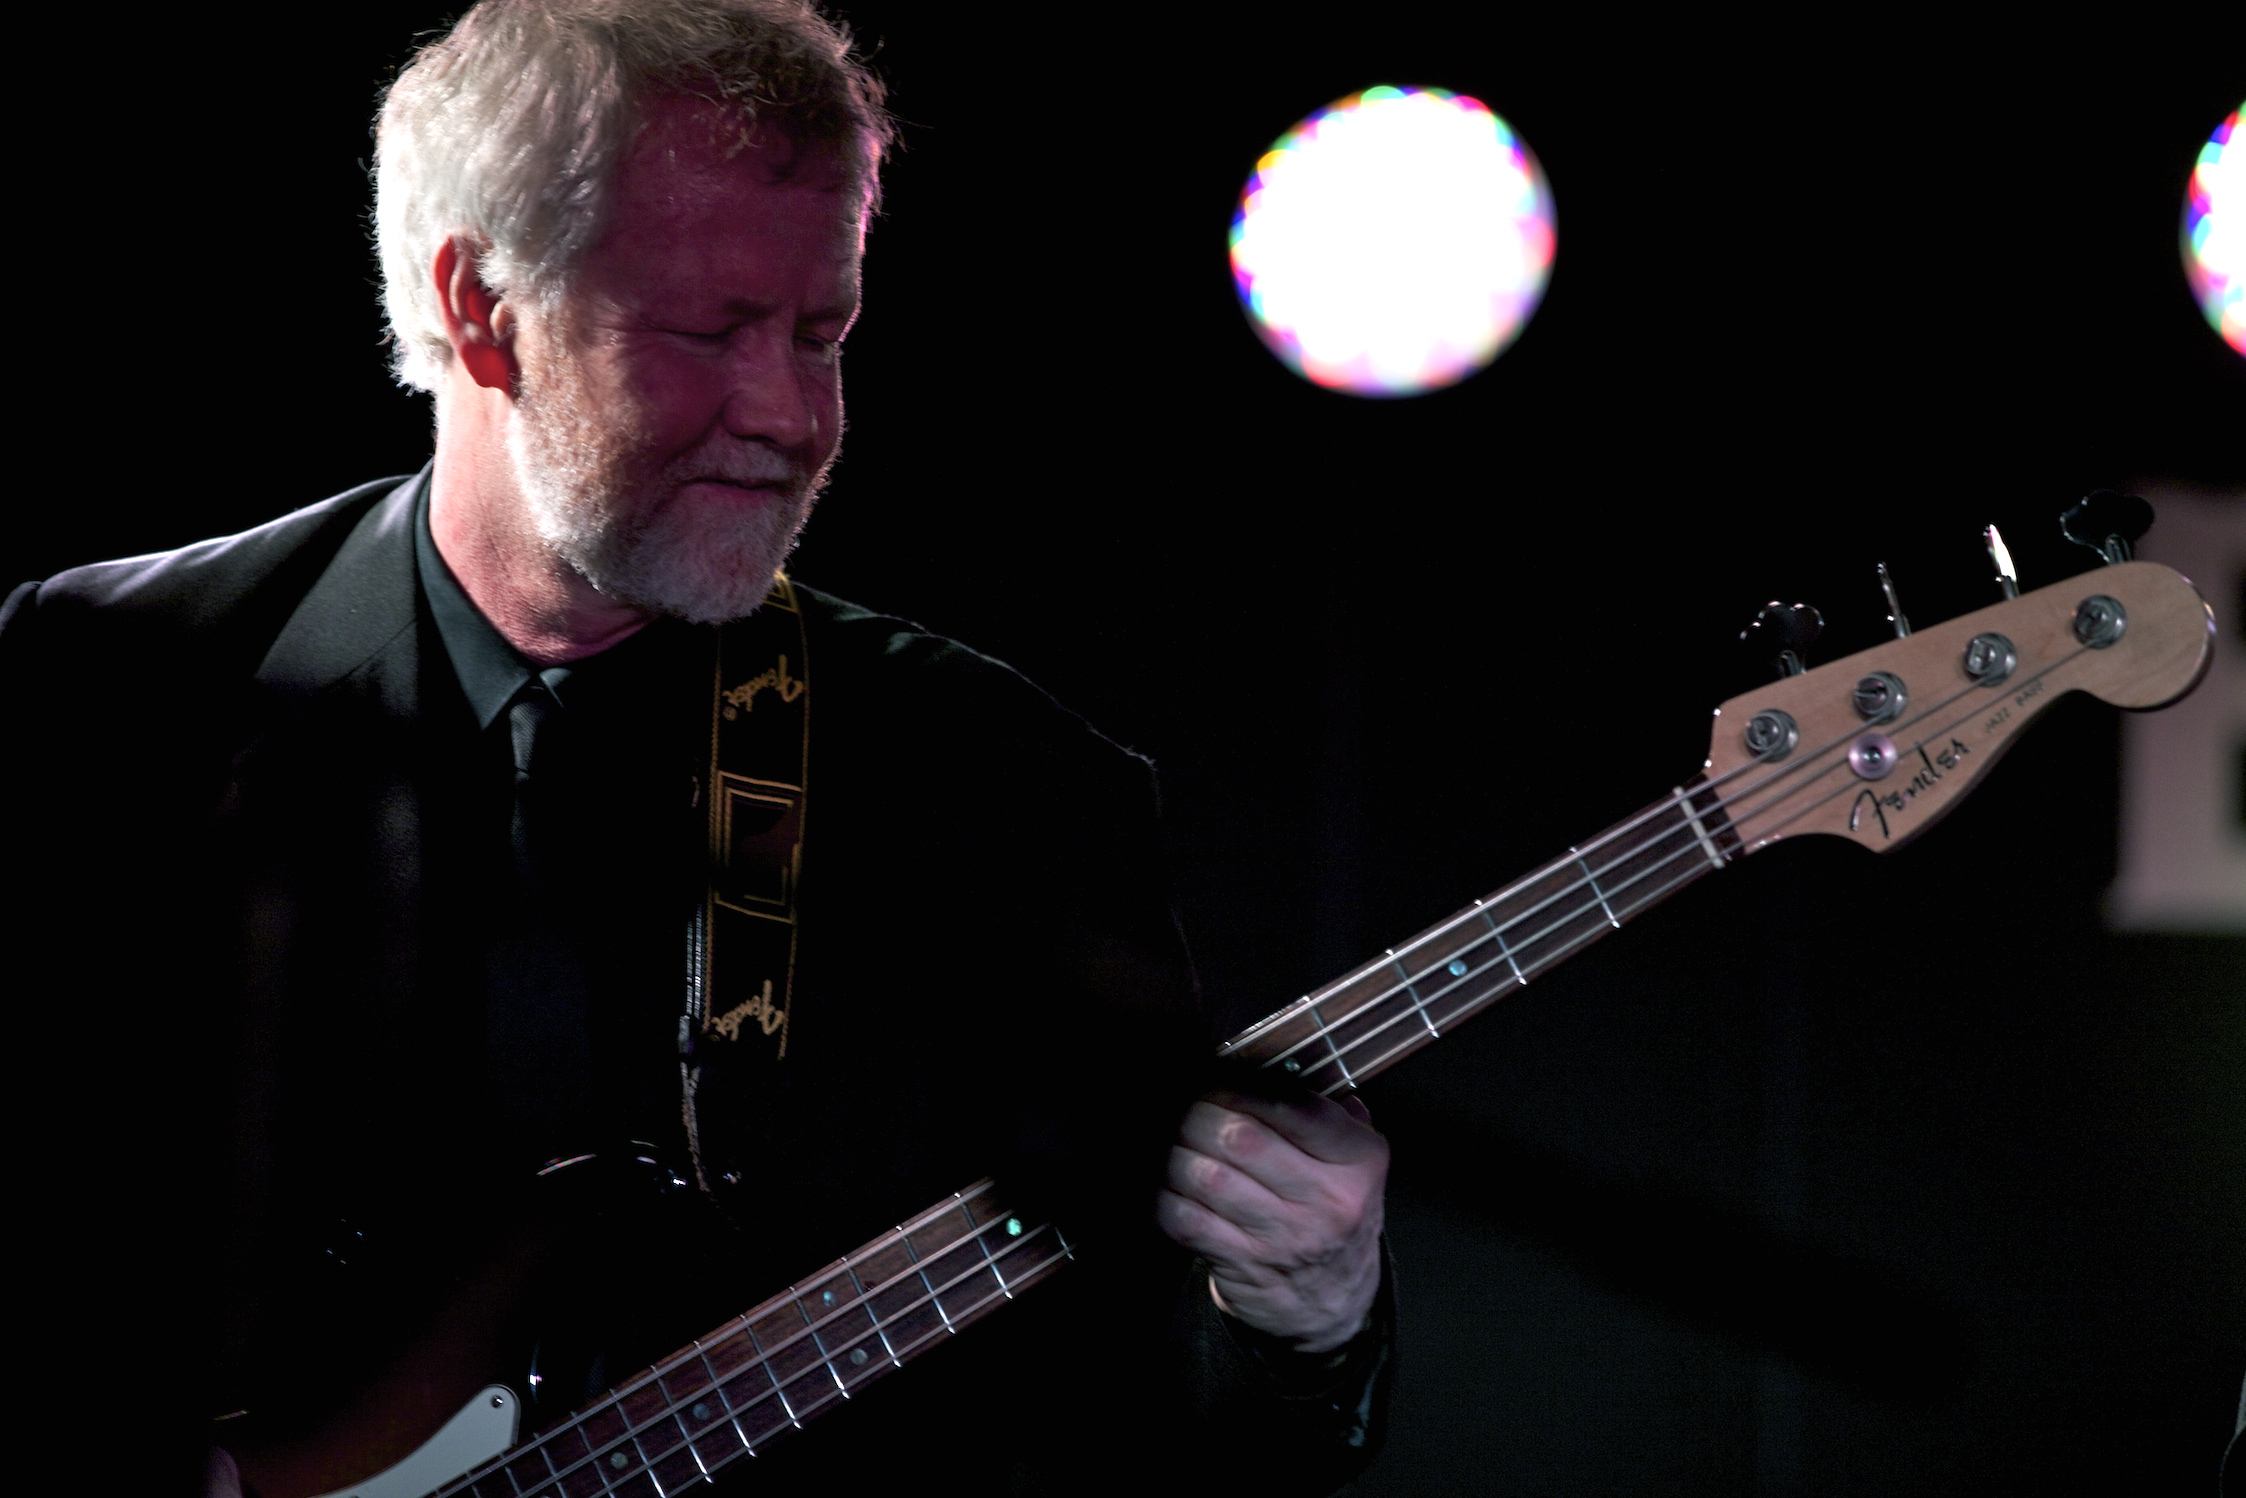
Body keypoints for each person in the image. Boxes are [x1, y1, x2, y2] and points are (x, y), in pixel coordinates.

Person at [0, 3, 1392, 1493]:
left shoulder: (1000, 789)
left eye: (821, 334)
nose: (788, 413)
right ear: (482, 307)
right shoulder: (113, 686)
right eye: (707, 330)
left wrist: (1310, 1319)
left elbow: (1149, 1428)